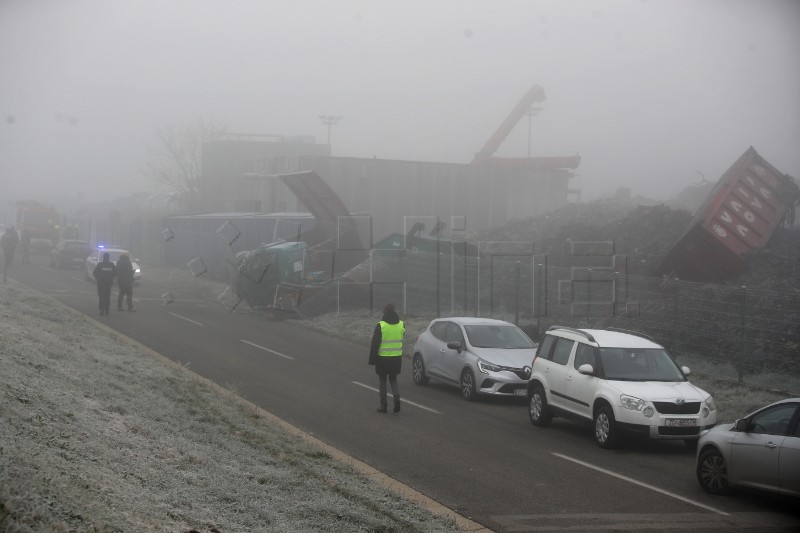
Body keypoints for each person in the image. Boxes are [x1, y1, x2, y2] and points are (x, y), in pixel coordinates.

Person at [368, 303, 405, 413]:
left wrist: (372, 360)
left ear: (385, 312)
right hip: (396, 358)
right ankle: (397, 399)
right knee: (393, 380)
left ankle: (384, 405)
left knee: (383, 381)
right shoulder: (401, 324)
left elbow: (375, 344)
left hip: (383, 359)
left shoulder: (381, 325)